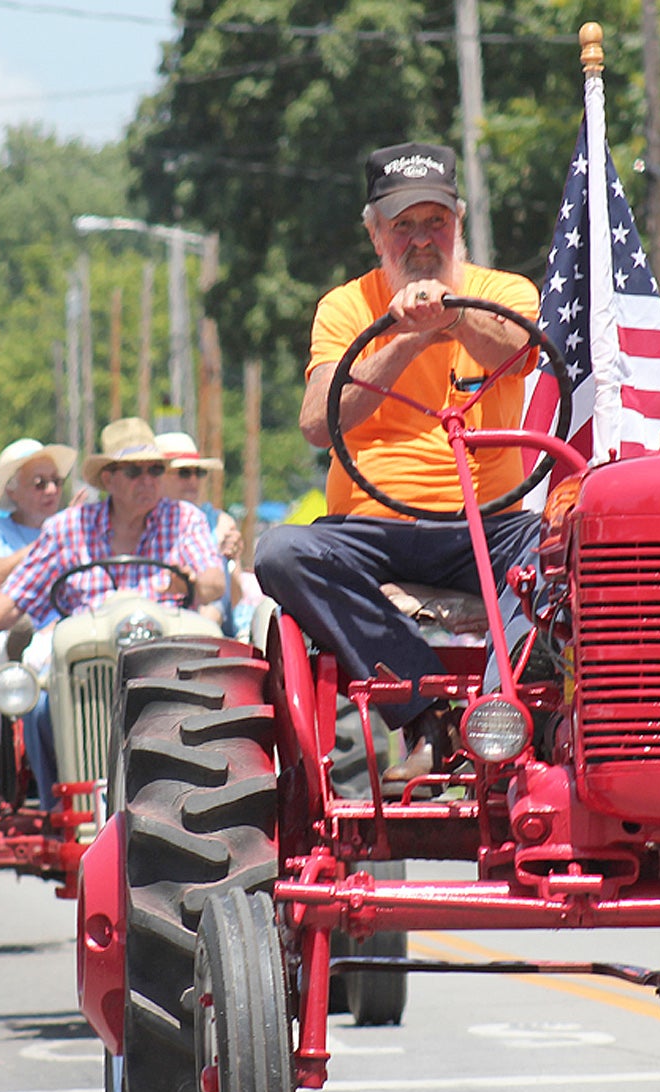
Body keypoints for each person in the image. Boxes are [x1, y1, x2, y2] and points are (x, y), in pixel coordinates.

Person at [253, 141, 542, 782]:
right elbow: (315, 422)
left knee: (564, 551)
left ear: (458, 221)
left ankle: (504, 715)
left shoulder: (504, 291)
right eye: (402, 224)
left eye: (434, 220)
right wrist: (407, 334)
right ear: (374, 231)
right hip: (368, 528)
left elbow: (515, 349)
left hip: (487, 524)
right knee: (281, 553)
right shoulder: (347, 306)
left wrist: (454, 318)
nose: (420, 239)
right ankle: (424, 711)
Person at [0, 418, 224, 806]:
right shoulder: (68, 527)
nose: (148, 481)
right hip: (84, 674)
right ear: (108, 479)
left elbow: (215, 581)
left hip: (167, 669)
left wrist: (191, 584)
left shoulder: (184, 520)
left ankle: (196, 801)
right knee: (39, 707)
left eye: (155, 470)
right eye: (134, 471)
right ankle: (61, 809)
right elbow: (19, 593)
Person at [0, 437, 77, 612]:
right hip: (1, 629)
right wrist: (50, 538)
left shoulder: (71, 530)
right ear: (12, 491)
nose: (52, 490)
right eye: (39, 483)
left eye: (56, 481)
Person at [156, 431, 240, 632]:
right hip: (159, 613)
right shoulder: (143, 520)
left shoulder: (218, 521)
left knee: (210, 607)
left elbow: (234, 598)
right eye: (184, 472)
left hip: (209, 616)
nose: (193, 480)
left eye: (199, 472)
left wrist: (231, 559)